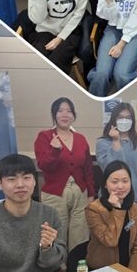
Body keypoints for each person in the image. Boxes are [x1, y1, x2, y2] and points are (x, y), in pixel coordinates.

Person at [34, 97, 95, 252]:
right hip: (55, 193)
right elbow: (43, 165)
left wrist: (91, 194)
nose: (65, 115)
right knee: (56, 232)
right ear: (54, 114)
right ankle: (58, 264)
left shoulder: (81, 139)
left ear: (73, 115)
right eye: (60, 111)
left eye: (69, 111)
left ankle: (76, 264)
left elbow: (88, 168)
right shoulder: (44, 136)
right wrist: (54, 150)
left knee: (80, 233)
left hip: (80, 192)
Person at [85, 160, 137, 272]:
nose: (120, 186)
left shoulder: (136, 209)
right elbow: (110, 241)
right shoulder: (93, 209)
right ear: (105, 184)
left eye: (125, 181)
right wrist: (117, 209)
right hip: (103, 271)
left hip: (130, 268)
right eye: (114, 182)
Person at [95, 102, 137, 210]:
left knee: (136, 221)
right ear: (114, 119)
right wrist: (116, 141)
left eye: (128, 117)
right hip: (111, 198)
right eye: (120, 117)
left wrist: (134, 179)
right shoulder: (103, 143)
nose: (124, 120)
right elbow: (110, 168)